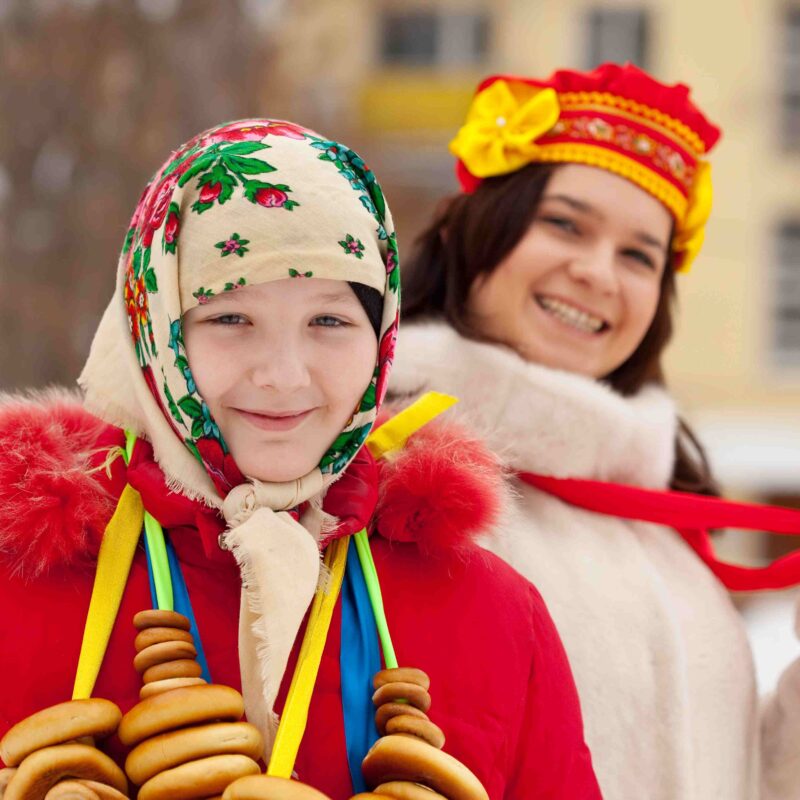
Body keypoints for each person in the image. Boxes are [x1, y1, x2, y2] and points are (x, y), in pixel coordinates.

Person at [0, 119, 600, 799]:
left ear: (381, 337)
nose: (284, 376)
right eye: (230, 318)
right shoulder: (22, 579)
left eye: (330, 321)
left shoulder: (491, 615)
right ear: (154, 330)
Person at [391, 63, 800, 800]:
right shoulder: (384, 477)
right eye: (565, 224)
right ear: (472, 230)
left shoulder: (665, 529)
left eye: (639, 256)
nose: (598, 273)